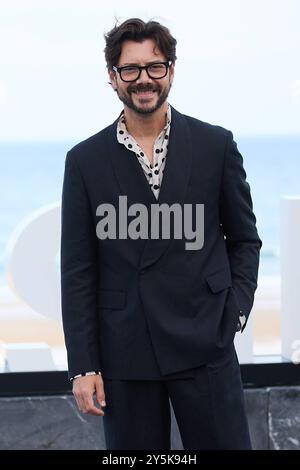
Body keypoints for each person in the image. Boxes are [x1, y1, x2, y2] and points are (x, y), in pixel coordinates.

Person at [60, 17, 262, 450]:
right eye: (130, 69)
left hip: (206, 342)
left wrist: (236, 311)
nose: (143, 80)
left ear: (171, 70)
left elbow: (245, 240)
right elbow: (78, 270)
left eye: (155, 66)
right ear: (113, 78)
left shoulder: (216, 145)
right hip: (125, 350)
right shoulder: (84, 161)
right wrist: (83, 364)